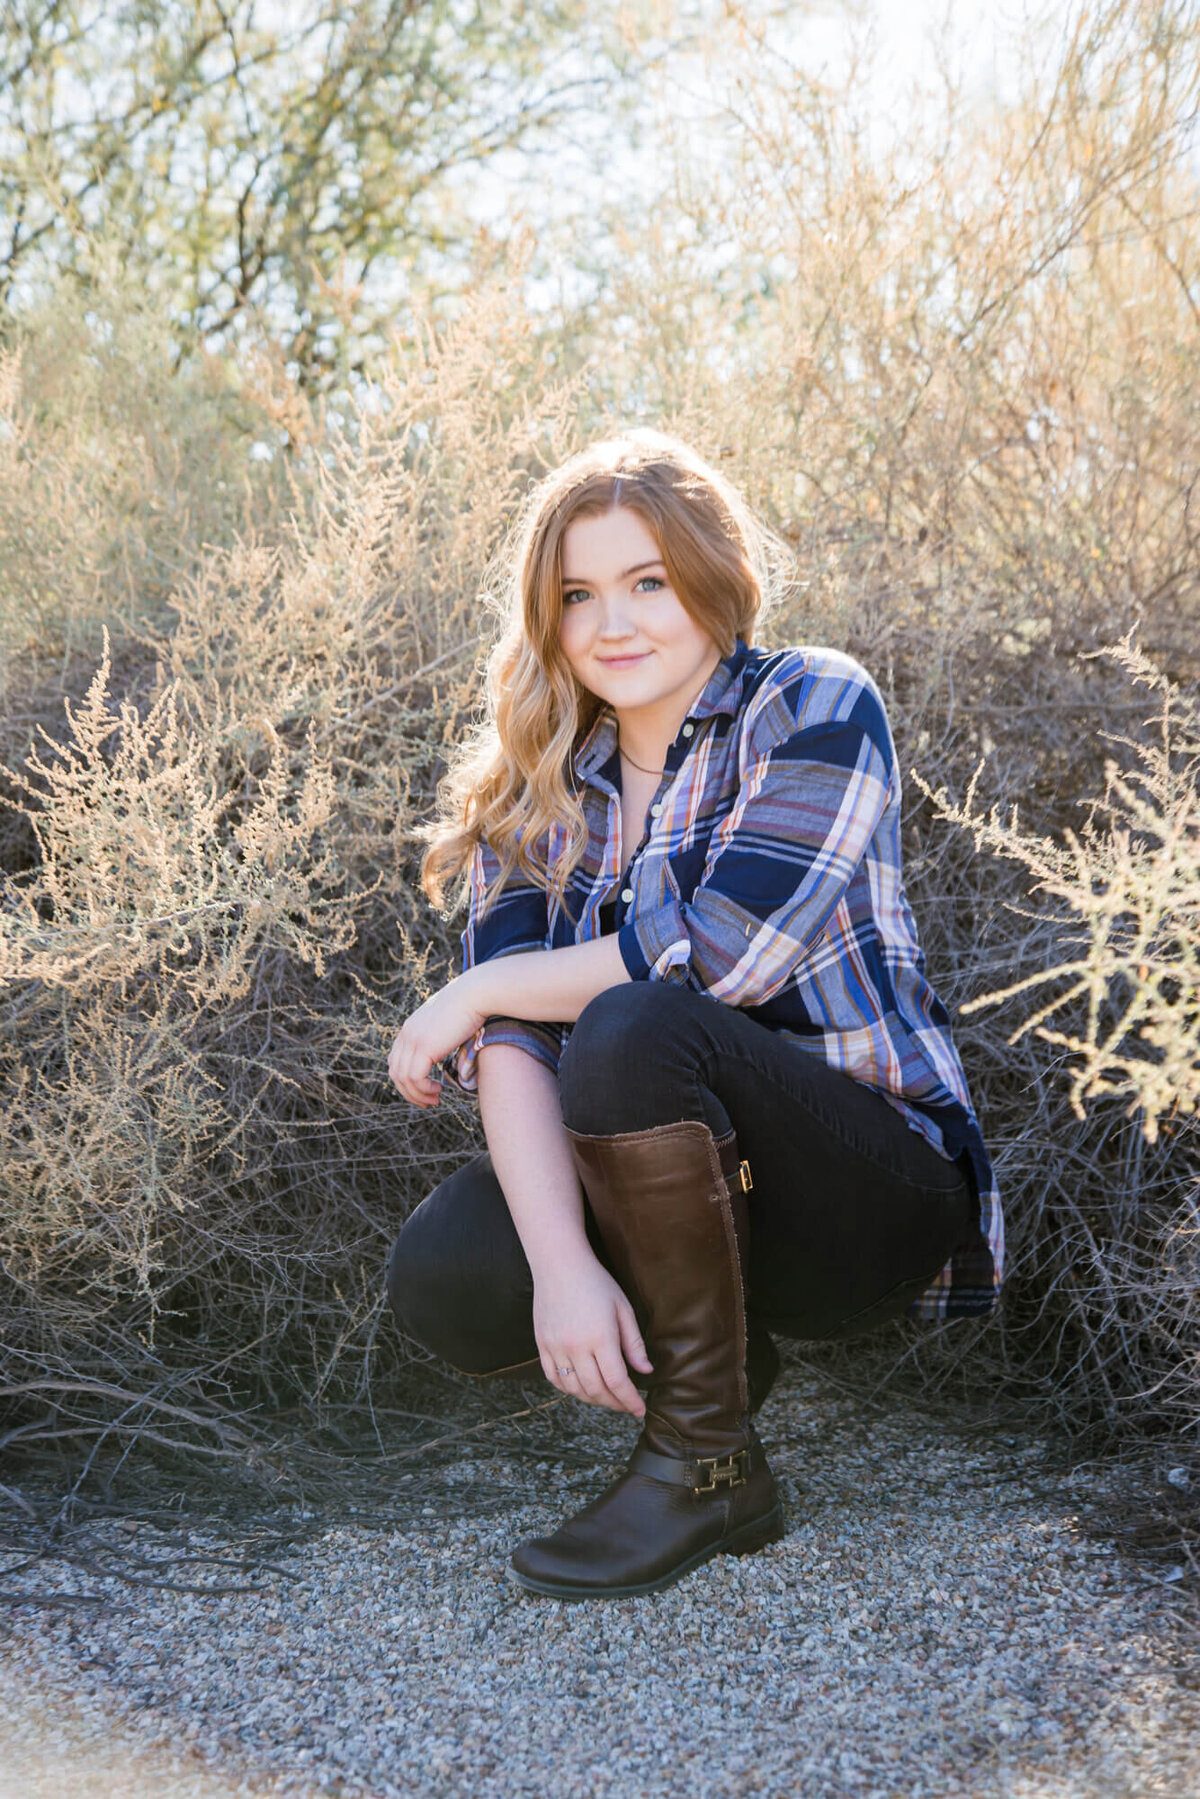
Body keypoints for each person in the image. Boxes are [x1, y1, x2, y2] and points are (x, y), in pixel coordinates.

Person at [385, 429, 1003, 1601]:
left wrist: (475, 985)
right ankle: (716, 1423)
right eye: (578, 594)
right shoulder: (540, 792)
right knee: (454, 1262)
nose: (613, 621)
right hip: (687, 1206)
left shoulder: (812, 704)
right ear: (547, 615)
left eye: (648, 581)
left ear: (712, 578)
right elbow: (515, 1042)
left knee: (633, 1025)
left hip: (868, 1190)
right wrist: (562, 1267)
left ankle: (699, 1459)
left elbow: (720, 956)